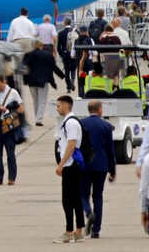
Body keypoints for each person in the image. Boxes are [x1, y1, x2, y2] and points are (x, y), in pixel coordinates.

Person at [79, 100, 116, 239]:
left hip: (85, 165)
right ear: (99, 109)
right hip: (101, 166)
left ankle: (88, 213)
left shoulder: (81, 124)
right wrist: (113, 170)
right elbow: (110, 150)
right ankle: (96, 230)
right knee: (98, 196)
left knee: (83, 194)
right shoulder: (106, 126)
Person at [54, 95, 85, 243]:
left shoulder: (71, 123)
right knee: (75, 198)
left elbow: (71, 145)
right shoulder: (69, 122)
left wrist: (61, 164)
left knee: (67, 199)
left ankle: (69, 232)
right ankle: (78, 231)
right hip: (72, 165)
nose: (57, 108)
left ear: (66, 106)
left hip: (70, 165)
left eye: (58, 106)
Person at [0, 73, 23, 185]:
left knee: (10, 152)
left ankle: (11, 177)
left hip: (8, 124)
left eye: (0, 86)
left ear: (4, 82)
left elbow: (21, 109)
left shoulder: (13, 93)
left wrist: (8, 109)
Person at [23, 39, 62, 126]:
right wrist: (61, 77)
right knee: (42, 100)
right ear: (42, 45)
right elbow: (53, 67)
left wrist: (25, 79)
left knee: (35, 100)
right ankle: (38, 119)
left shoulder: (29, 55)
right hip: (43, 80)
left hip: (31, 80)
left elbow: (25, 68)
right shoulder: (47, 55)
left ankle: (37, 117)